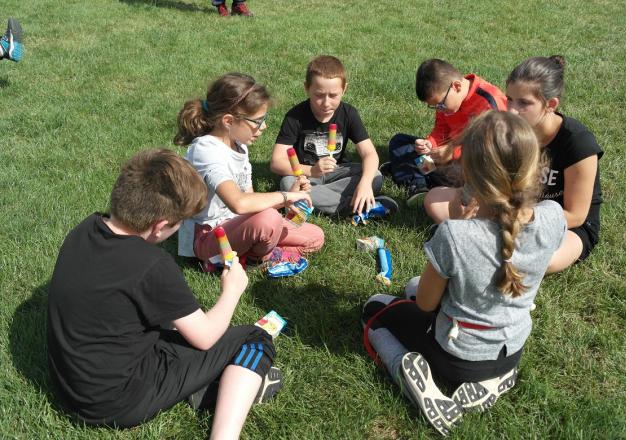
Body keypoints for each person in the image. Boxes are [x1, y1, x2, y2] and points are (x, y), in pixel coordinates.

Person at [48, 149, 282, 439]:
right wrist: (232, 290)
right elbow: (206, 337)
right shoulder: (152, 265)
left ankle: (208, 389)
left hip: (71, 386)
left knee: (174, 325)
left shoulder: (85, 228)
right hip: (116, 401)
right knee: (254, 340)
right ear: (159, 227)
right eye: (179, 222)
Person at [362, 112, 566, 436]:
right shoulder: (554, 216)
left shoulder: (456, 235)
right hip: (511, 348)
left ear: (470, 171)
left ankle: (417, 380)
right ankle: (497, 380)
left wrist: (460, 221)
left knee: (376, 311)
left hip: (457, 354)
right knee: (413, 287)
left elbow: (427, 304)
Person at [174, 72, 324, 272]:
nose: (264, 126)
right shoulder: (205, 150)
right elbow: (239, 203)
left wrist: (287, 201)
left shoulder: (239, 146)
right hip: (208, 236)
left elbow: (251, 197)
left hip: (238, 225)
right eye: (257, 121)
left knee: (315, 237)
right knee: (269, 219)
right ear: (228, 121)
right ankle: (252, 260)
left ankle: (249, 252)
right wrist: (285, 196)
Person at [505, 55, 603, 272]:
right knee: (437, 201)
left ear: (550, 104)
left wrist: (523, 217)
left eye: (524, 103)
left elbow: (576, 215)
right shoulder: (511, 131)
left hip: (568, 227)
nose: (511, 110)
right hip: (517, 212)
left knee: (537, 260)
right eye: (509, 99)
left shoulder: (577, 142)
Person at [270, 55, 398, 217]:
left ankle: (312, 201)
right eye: (319, 95)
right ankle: (356, 207)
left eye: (333, 95)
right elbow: (276, 162)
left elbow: (369, 153)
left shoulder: (348, 113)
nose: (326, 103)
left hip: (336, 172)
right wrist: (313, 170)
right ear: (307, 88)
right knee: (287, 184)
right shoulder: (295, 117)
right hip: (305, 176)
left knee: (375, 176)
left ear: (344, 90)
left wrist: (365, 184)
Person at [382, 59, 506, 207]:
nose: (439, 110)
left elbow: (494, 151)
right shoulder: (447, 101)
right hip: (446, 157)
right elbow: (441, 128)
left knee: (420, 161)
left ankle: (410, 174)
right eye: (434, 107)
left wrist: (453, 153)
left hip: (474, 166)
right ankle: (417, 181)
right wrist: (430, 143)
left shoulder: (489, 102)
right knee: (399, 142)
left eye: (440, 105)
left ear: (456, 86)